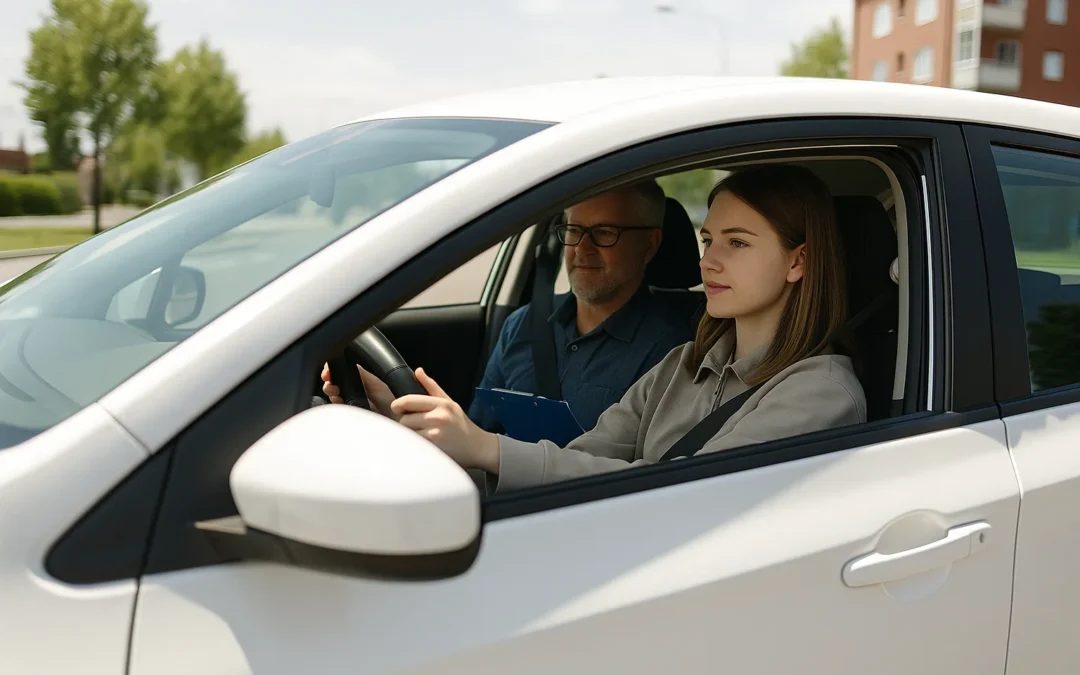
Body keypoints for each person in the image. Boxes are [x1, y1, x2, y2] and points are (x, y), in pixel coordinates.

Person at [327, 165, 866, 492]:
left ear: (799, 261)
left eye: (738, 243)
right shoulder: (683, 364)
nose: (709, 261)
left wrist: (486, 447)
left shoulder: (818, 393)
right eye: (708, 241)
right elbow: (586, 458)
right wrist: (413, 425)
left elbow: (678, 501)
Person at [329, 180, 694, 435]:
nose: (582, 248)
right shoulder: (521, 326)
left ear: (649, 246)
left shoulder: (675, 350)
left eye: (604, 233)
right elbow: (474, 438)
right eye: (573, 230)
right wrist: (389, 408)